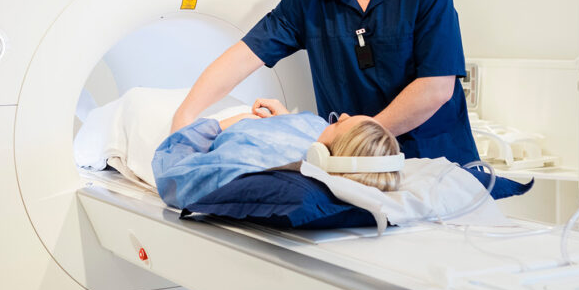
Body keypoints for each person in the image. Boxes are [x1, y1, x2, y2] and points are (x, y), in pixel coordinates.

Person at [170, 0, 479, 165]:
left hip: (435, 159)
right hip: (352, 166)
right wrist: (185, 117)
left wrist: (355, 137)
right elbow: (243, 56)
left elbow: (436, 87)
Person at [153, 98, 400, 208]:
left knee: (145, 106)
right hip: (260, 116)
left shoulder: (245, 165)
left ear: (320, 156)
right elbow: (312, 128)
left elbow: (172, 175)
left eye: (336, 124)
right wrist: (287, 119)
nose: (340, 116)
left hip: (212, 123)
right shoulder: (320, 135)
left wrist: (222, 124)